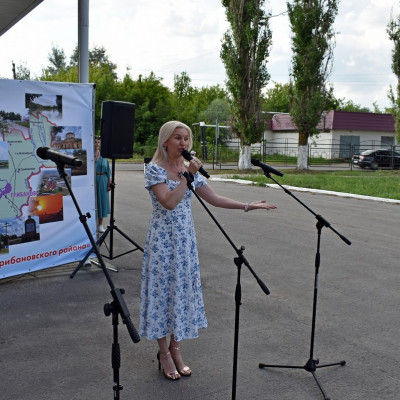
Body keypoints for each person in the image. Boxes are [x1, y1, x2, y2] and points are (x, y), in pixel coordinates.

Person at [139, 121, 277, 381]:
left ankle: (176, 349)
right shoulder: (154, 169)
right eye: (177, 137)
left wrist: (247, 205)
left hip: (185, 242)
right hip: (162, 243)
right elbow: (168, 202)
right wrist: (187, 176)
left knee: (181, 294)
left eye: (186, 138)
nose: (183, 143)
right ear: (165, 141)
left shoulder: (187, 168)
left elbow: (214, 198)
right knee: (162, 295)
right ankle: (164, 353)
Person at [95, 136, 111, 233]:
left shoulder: (104, 155)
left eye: (98, 142)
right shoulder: (89, 155)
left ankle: (100, 225)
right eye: (95, 142)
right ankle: (92, 223)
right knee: (93, 201)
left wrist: (109, 183)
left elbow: (108, 170)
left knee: (102, 201)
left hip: (103, 180)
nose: (96, 144)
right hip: (93, 180)